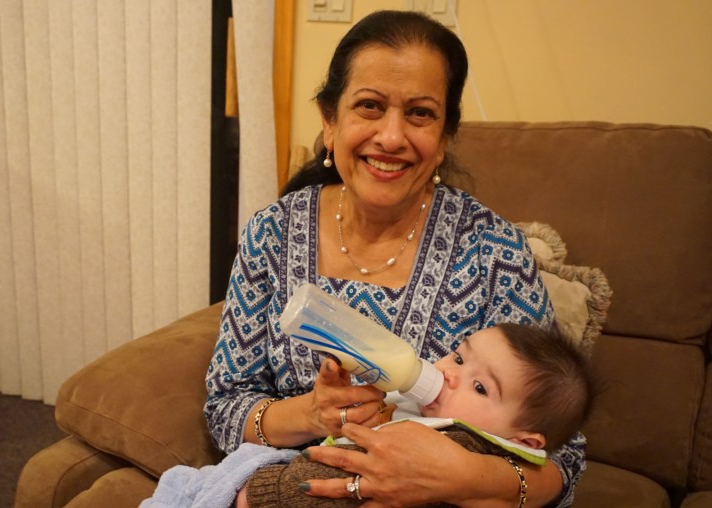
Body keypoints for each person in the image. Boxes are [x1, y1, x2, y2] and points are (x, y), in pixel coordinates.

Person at [205, 9, 587, 507]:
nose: (391, 137)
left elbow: (563, 457)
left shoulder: (493, 251)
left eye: (420, 113)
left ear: (446, 134)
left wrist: (461, 475)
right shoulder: (272, 234)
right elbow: (226, 406)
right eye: (369, 106)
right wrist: (312, 414)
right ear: (329, 117)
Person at [235, 323, 595, 507]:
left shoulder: (463, 444)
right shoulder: (412, 407)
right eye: (458, 356)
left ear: (523, 442)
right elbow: (227, 402)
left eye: (480, 387)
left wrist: (471, 477)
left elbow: (566, 461)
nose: (449, 373)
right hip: (268, 476)